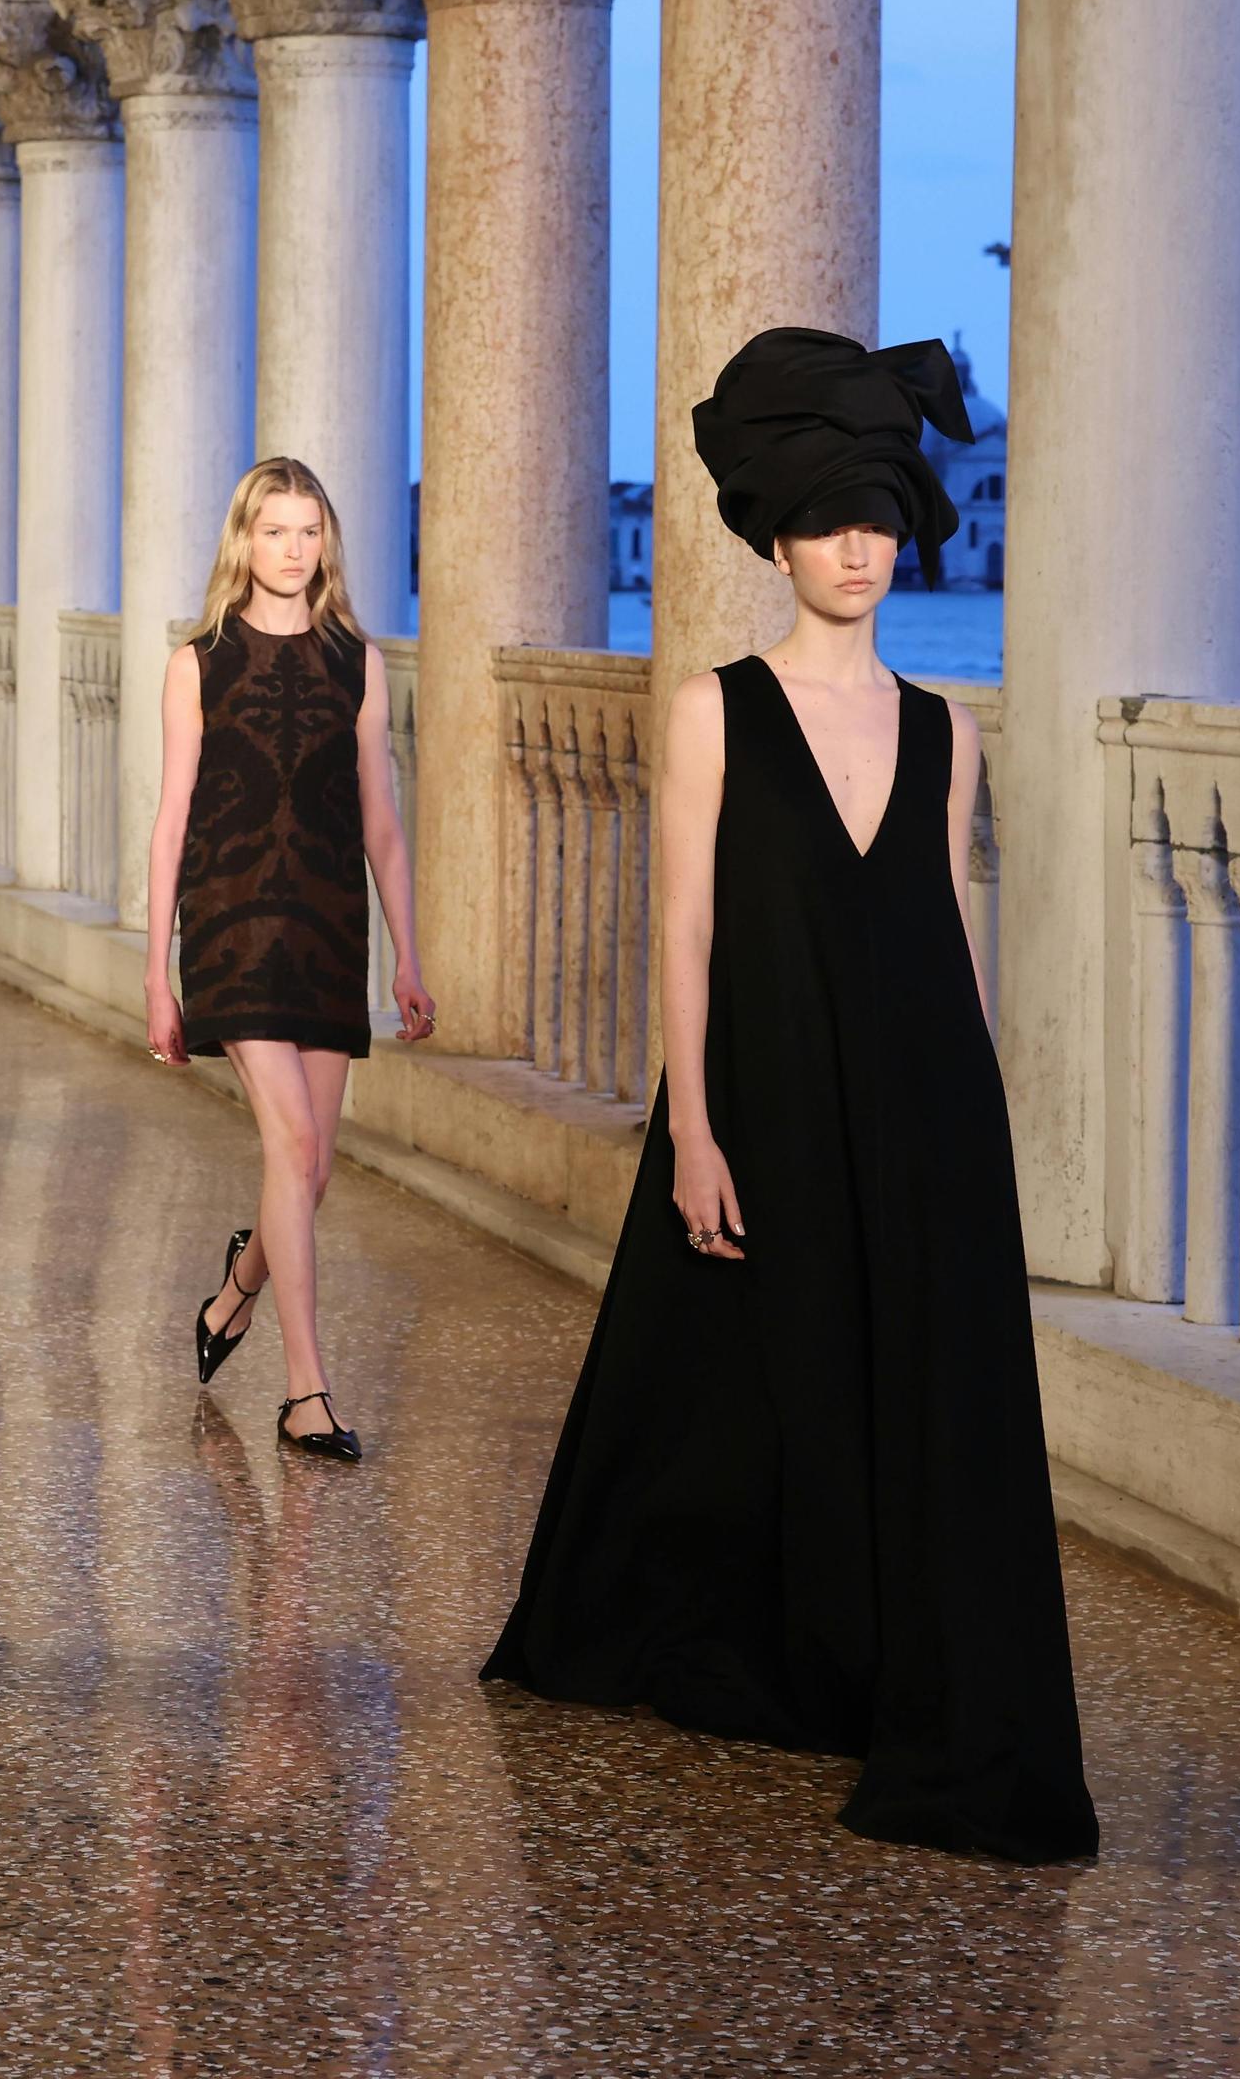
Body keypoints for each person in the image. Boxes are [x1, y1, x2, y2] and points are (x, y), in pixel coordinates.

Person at [482, 326, 1096, 1866]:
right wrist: (692, 1122)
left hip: (928, 1106)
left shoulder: (950, 728)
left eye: (881, 521)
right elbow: (681, 926)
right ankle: (768, 1634)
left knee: (910, 1387)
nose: (859, 551)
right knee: (763, 1370)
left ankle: (893, 1657)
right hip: (768, 1086)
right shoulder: (713, 708)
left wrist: (984, 1123)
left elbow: (950, 929)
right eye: (830, 523)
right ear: (777, 536)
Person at [144, 459, 431, 1464]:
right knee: (293, 1152)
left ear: (328, 541)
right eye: (276, 529)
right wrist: (155, 973)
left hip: (326, 924)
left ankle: (237, 1289)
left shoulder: (358, 659)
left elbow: (383, 826)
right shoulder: (200, 661)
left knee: (311, 1168)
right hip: (229, 926)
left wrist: (408, 955)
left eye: (310, 529)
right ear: (244, 540)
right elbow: (172, 819)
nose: (294, 547)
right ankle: (306, 1391)